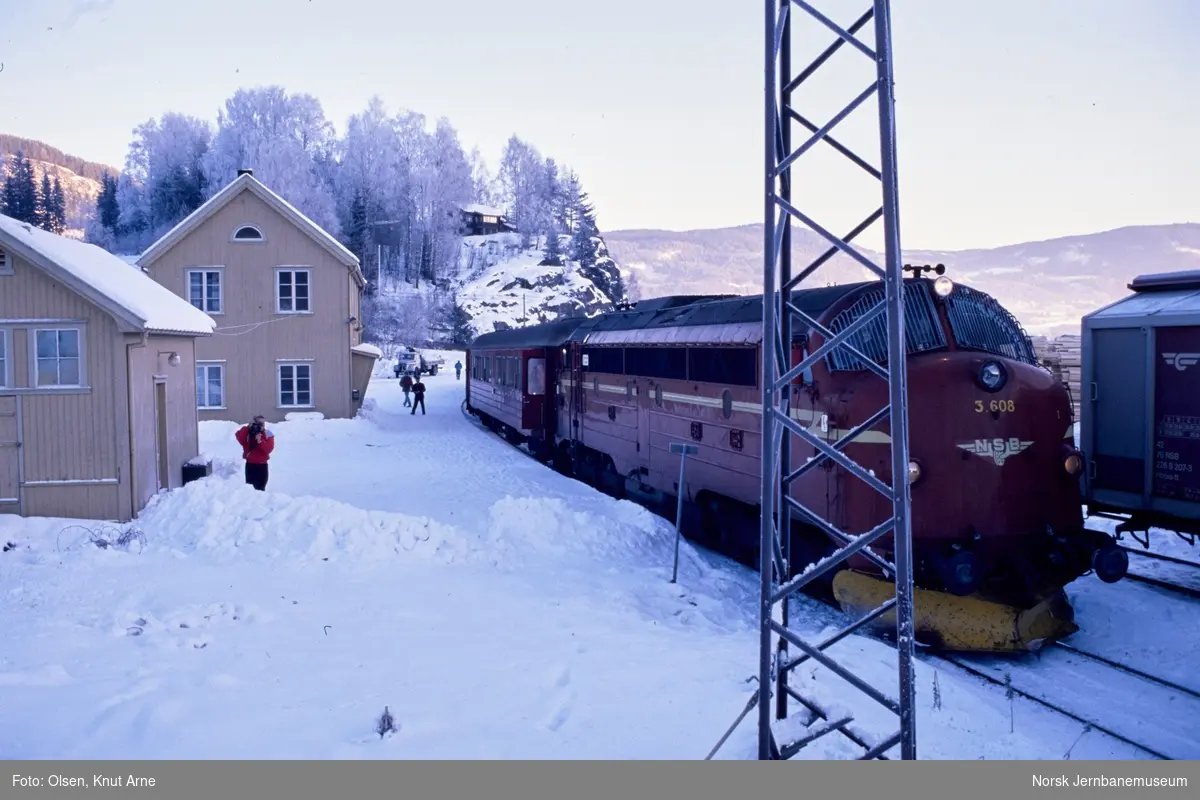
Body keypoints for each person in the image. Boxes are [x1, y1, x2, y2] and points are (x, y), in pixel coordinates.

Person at [235, 415, 275, 491]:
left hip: (262, 465)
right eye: (258, 423)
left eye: (263, 423)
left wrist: (260, 441)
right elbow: (239, 437)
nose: (261, 425)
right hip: (250, 465)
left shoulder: (268, 434)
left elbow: (269, 449)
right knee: (250, 489)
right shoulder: (248, 433)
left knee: (261, 488)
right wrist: (248, 427)